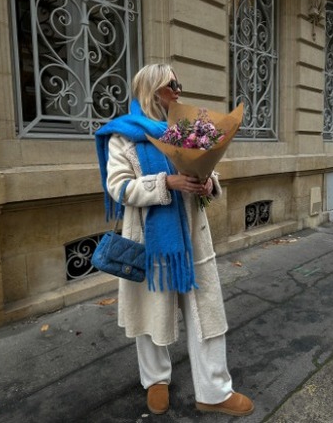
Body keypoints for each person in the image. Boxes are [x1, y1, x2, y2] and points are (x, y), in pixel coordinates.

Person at [94, 63, 254, 416]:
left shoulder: (182, 130)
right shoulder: (124, 135)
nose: (178, 91)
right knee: (151, 316)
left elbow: (207, 171)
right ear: (153, 91)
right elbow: (118, 187)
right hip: (151, 241)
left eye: (178, 85)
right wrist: (165, 183)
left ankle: (214, 391)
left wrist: (208, 181)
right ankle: (156, 379)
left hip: (194, 237)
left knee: (208, 314)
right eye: (172, 86)